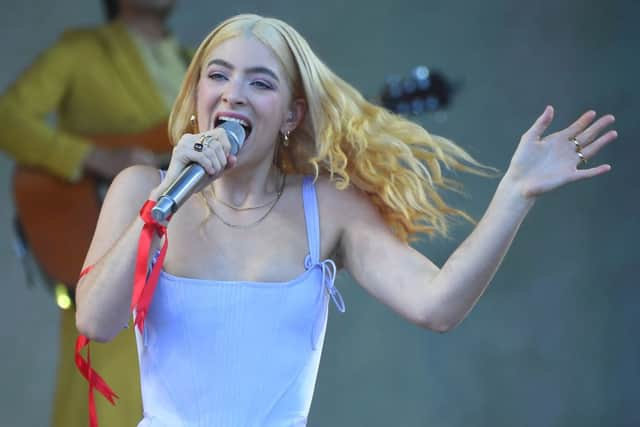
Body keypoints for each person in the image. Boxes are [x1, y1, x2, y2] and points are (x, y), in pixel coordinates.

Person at [74, 13, 617, 426]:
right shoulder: (143, 191)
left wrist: (515, 193)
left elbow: (437, 304)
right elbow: (96, 323)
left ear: (291, 113)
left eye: (261, 83)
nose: (234, 93)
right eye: (218, 75)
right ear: (197, 95)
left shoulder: (326, 207)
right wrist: (165, 197)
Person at [0, 1, 189, 425]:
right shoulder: (81, 51)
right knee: (105, 392)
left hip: (182, 258)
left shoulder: (197, 61)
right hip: (108, 251)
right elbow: (7, 117)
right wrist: (92, 157)